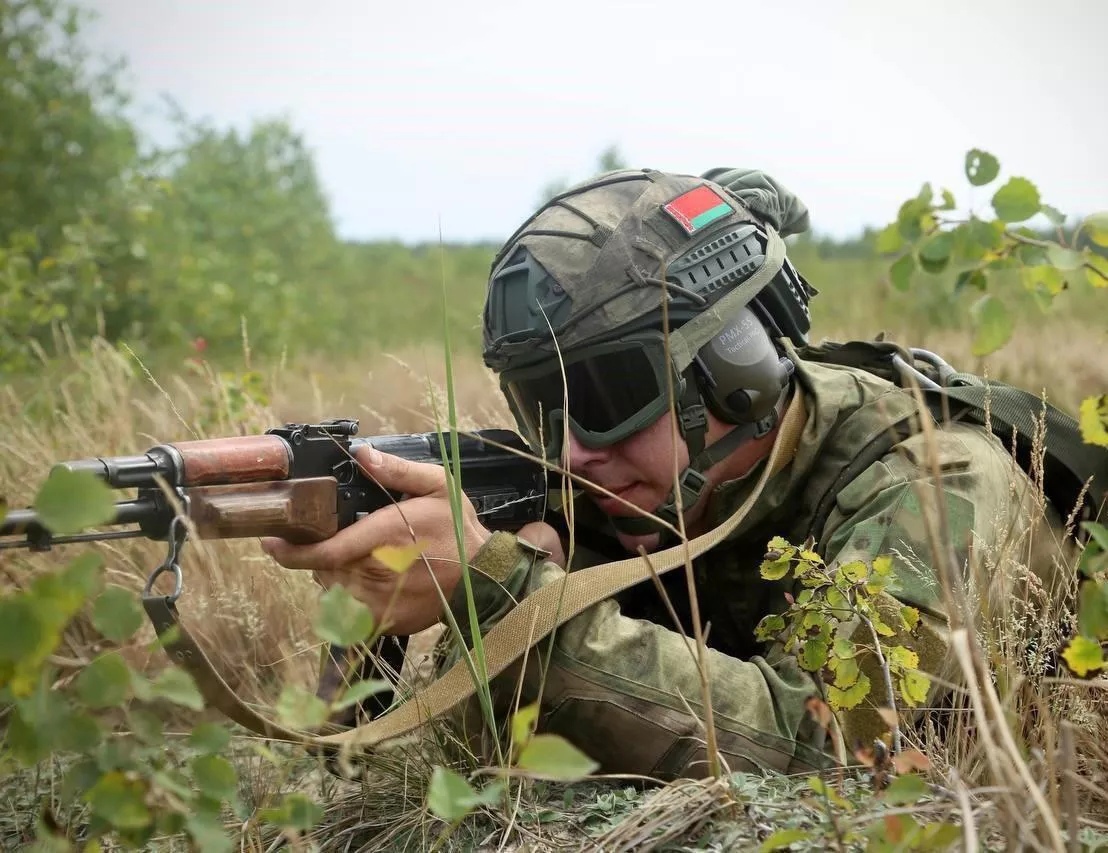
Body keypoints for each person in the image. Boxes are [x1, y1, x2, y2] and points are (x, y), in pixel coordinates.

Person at [262, 167, 1074, 779]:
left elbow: (828, 753)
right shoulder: (613, 497)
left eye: (613, 394)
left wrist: (506, 597)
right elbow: (483, 775)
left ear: (736, 370)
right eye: (545, 405)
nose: (575, 450)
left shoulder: (933, 488)